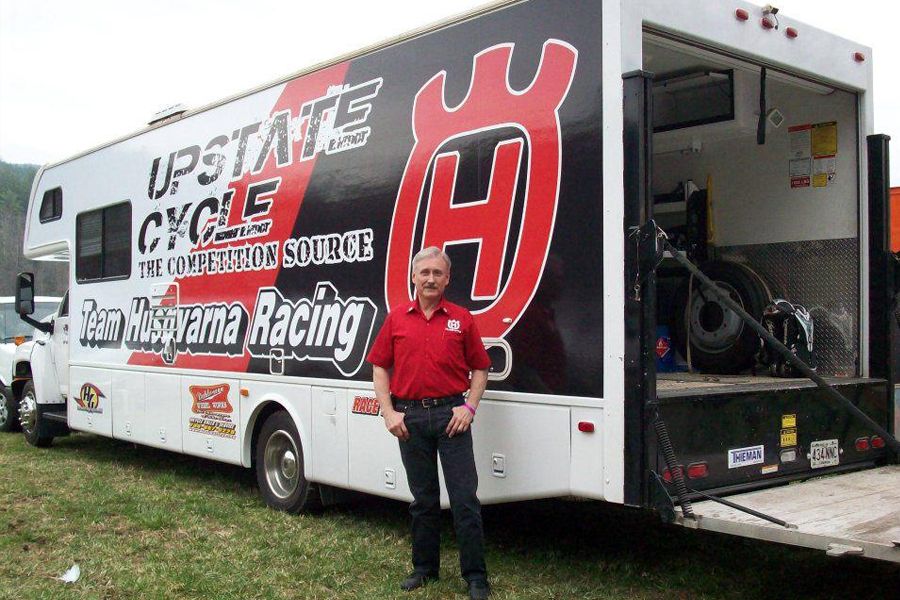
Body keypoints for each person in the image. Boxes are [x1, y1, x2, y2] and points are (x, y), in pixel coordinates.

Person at [367, 246, 491, 600]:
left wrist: (469, 407)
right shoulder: (396, 319)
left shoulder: (462, 318)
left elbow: (481, 367)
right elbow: (379, 367)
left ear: (448, 278)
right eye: (425, 273)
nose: (431, 279)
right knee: (423, 499)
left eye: (438, 273)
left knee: (464, 499)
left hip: (452, 416)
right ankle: (424, 568)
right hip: (411, 418)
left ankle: (476, 577)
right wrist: (389, 413)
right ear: (413, 276)